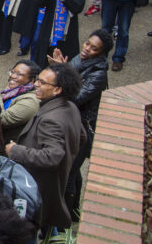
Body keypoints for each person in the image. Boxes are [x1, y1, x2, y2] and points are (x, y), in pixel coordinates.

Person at [5, 63, 86, 234]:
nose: (36, 85)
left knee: (28, 230)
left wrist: (15, 150)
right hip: (53, 184)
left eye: (42, 82)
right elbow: (82, 137)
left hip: (40, 185)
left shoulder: (51, 119)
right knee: (48, 220)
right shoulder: (70, 107)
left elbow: (52, 156)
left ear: (57, 90)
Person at [48, 30, 113, 221]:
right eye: (87, 44)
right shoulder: (79, 58)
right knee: (74, 172)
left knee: (67, 175)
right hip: (71, 123)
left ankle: (64, 221)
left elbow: (76, 97)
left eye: (94, 48)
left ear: (101, 53)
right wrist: (61, 69)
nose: (87, 49)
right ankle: (75, 212)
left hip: (82, 129)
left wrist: (63, 72)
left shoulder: (99, 74)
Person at [31, 0, 87, 68]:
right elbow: (37, 2)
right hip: (49, 28)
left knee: (64, 63)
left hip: (67, 31)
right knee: (44, 60)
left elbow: (77, 8)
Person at [0, 60, 40, 143]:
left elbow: (1, 120)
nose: (12, 76)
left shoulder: (30, 102)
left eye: (19, 74)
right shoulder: (12, 90)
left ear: (31, 80)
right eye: (12, 72)